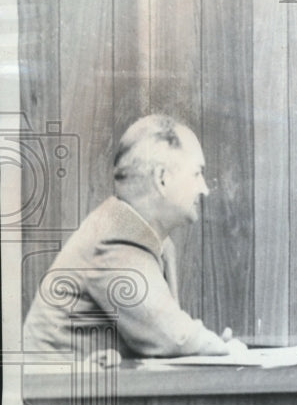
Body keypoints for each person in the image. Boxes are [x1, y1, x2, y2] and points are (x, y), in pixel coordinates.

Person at [23, 114, 246, 359]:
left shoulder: (147, 237)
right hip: (55, 382)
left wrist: (205, 345)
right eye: (197, 174)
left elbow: (168, 337)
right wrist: (221, 348)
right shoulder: (116, 236)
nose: (204, 189)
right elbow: (171, 336)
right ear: (162, 178)